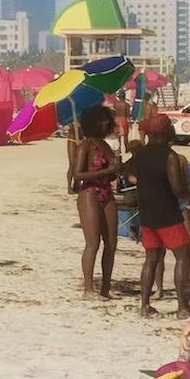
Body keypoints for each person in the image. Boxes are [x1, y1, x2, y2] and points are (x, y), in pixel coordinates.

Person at [127, 115, 190, 317]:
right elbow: (177, 190)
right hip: (167, 213)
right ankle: (182, 307)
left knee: (151, 259)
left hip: (147, 212)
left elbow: (127, 172)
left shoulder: (140, 154)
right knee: (183, 256)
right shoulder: (170, 156)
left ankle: (145, 305)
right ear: (166, 132)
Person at [70, 106, 120, 299]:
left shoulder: (105, 145)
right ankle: (89, 288)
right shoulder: (85, 146)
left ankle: (106, 287)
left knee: (111, 243)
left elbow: (112, 172)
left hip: (107, 192)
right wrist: (106, 172)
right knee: (93, 243)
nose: (107, 124)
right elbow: (78, 174)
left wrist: (116, 170)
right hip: (89, 193)